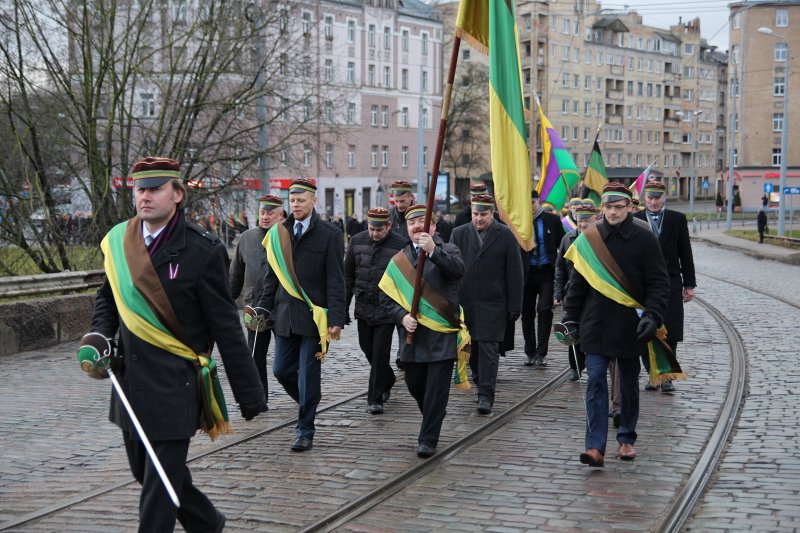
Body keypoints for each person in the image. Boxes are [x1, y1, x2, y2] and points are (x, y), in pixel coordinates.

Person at [82, 156, 266, 532]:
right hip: (130, 382)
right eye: (140, 190)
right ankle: (206, 522)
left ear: (178, 194)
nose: (146, 197)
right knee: (146, 471)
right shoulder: (120, 241)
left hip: (176, 385)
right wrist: (101, 333)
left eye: (155, 189)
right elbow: (108, 299)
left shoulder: (202, 249)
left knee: (158, 492)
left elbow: (226, 327)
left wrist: (249, 394)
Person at [563, 182, 669, 467]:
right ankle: (595, 446)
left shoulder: (645, 239)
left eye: (618, 207)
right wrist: (569, 318)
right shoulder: (589, 239)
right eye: (608, 207)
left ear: (631, 208)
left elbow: (659, 283)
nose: (612, 212)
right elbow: (577, 285)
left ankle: (626, 440)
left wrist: (653, 316)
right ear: (602, 208)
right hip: (594, 325)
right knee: (595, 382)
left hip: (630, 327)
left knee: (628, 384)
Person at [253, 178, 346, 452]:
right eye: (292, 201)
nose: (296, 205)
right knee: (281, 370)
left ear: (313, 201)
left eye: (301, 200)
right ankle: (308, 401)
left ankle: (305, 429)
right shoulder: (277, 233)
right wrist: (261, 309)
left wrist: (336, 319)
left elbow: (336, 281)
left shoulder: (329, 234)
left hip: (314, 319)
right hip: (284, 317)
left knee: (308, 373)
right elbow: (271, 279)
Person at [380, 205, 465, 458]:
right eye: (412, 223)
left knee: (437, 390)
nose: (417, 226)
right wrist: (401, 317)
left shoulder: (448, 249)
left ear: (434, 226)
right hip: (412, 338)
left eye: (422, 222)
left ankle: (427, 439)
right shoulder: (400, 260)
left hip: (442, 335)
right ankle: (434, 413)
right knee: (416, 385)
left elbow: (458, 270)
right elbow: (385, 299)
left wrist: (433, 251)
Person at [450, 195, 523, 415]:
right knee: (472, 348)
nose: (479, 218)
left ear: (492, 214)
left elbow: (515, 273)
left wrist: (515, 305)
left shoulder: (506, 235)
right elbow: (451, 267)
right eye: (475, 214)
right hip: (466, 303)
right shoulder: (459, 233)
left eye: (483, 214)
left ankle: (485, 395)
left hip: (494, 303)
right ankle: (480, 377)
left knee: (489, 349)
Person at [634, 180, 696, 393]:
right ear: (645, 199)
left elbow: (685, 253)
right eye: (650, 198)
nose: (653, 202)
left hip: (670, 280)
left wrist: (689, 284)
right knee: (645, 328)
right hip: (643, 283)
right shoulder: (635, 219)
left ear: (663, 198)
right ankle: (653, 375)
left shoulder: (677, 219)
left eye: (657, 198)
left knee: (670, 329)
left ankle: (667, 375)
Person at [344, 207, 407, 414]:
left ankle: (375, 397)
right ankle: (387, 378)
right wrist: (343, 308)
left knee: (380, 353)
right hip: (363, 306)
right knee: (367, 348)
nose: (374, 234)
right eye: (371, 229)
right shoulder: (357, 241)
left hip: (387, 310)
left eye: (379, 230)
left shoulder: (400, 245)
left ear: (388, 226)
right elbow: (347, 277)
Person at [229, 194, 285, 409]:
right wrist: (227, 302)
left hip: (282, 307)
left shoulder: (287, 236)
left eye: (270, 213)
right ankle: (259, 398)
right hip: (254, 306)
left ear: (281, 215)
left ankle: (299, 391)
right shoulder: (247, 238)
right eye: (262, 212)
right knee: (255, 357)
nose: (265, 217)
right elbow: (235, 275)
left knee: (285, 362)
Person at [521, 189, 565, 367]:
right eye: (526, 204)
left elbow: (562, 245)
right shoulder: (518, 222)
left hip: (546, 271)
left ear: (538, 202)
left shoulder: (552, 220)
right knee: (526, 314)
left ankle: (542, 352)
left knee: (545, 310)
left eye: (532, 203)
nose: (530, 207)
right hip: (526, 272)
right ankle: (530, 352)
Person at [553, 203, 596, 381]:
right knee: (572, 328)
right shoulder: (567, 239)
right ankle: (575, 366)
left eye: (587, 221)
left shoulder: (600, 239)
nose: (583, 225)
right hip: (572, 294)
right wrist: (557, 292)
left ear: (595, 220)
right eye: (580, 221)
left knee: (593, 329)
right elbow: (560, 268)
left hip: (595, 293)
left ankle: (593, 364)